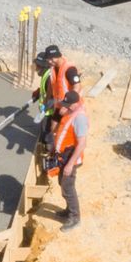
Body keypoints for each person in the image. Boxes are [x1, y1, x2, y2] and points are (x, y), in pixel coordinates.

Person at [47, 71, 89, 231]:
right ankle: (68, 210)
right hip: (63, 156)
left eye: (67, 105)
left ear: (75, 104)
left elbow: (81, 143)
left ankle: (74, 217)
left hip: (71, 158)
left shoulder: (80, 118)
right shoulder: (71, 112)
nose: (65, 108)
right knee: (62, 183)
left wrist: (70, 165)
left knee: (68, 186)